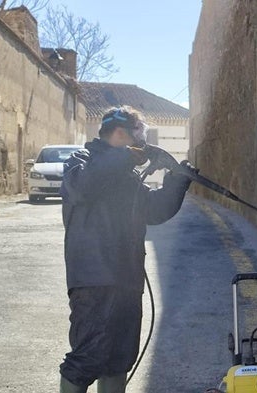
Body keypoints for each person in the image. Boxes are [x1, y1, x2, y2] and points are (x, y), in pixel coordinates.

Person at [58, 105, 192, 393]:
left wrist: (178, 182)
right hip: (94, 280)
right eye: (138, 133)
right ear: (120, 132)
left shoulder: (126, 175)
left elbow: (153, 211)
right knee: (87, 358)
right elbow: (83, 187)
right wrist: (123, 158)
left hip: (127, 281)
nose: (142, 141)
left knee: (119, 359)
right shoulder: (80, 162)